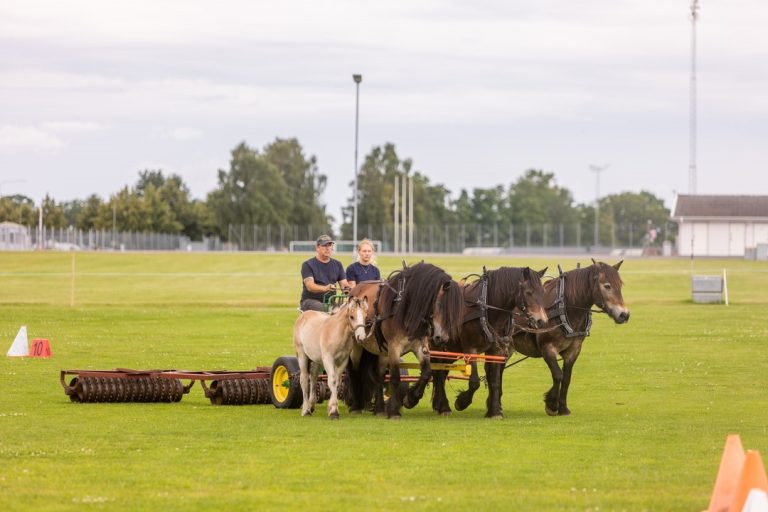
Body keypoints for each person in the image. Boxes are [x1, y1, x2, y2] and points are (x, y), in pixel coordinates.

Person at [300, 234, 351, 312]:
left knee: (348, 310)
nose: (327, 248)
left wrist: (349, 290)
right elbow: (310, 286)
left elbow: (344, 285)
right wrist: (325, 288)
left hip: (330, 301)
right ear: (317, 248)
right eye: (324, 245)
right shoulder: (307, 264)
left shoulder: (337, 264)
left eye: (330, 245)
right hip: (310, 301)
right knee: (325, 308)